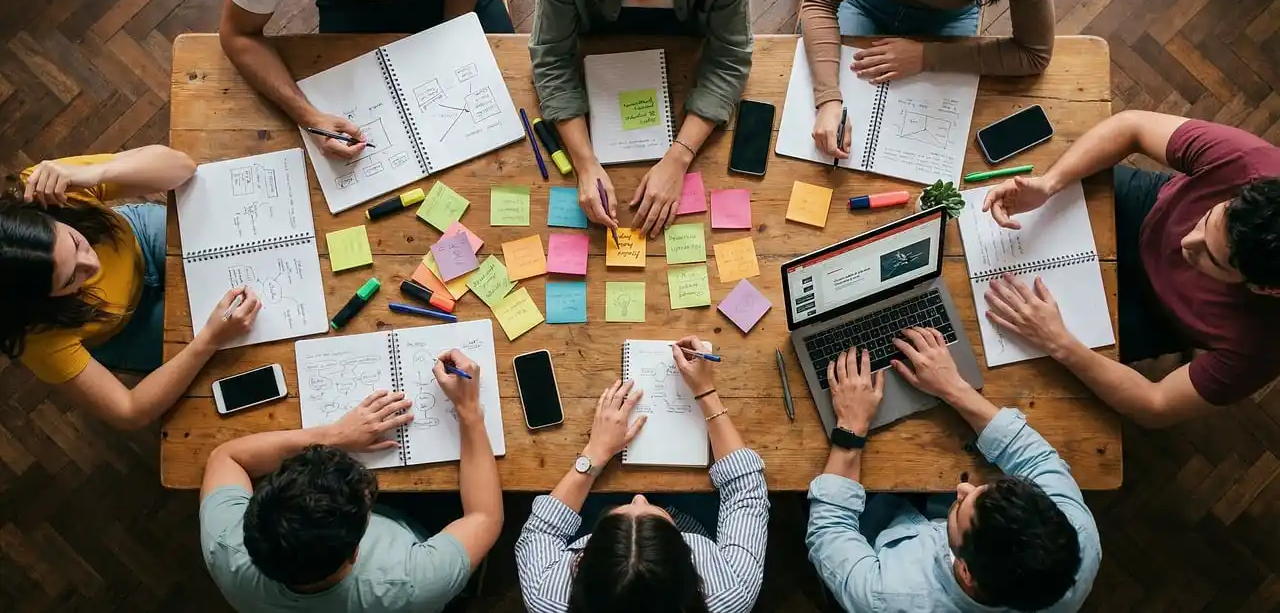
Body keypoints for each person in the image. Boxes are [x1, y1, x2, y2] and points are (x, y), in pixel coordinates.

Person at [981, 112, 1280, 427]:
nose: (1186, 241)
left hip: (1157, 315)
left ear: (1263, 288)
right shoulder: (1254, 165)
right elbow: (1131, 127)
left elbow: (1156, 405)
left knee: (1029, 364)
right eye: (1206, 219)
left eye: (1211, 257)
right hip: (1148, 208)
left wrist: (1060, 342)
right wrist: (1048, 184)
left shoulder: (1263, 344)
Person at [807, 331, 1100, 612]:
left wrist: (850, 428)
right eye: (988, 489)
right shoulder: (1076, 536)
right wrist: (954, 387)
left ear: (966, 572)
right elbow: (1035, 460)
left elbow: (829, 530)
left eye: (961, 510)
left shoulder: (887, 596)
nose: (962, 488)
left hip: (878, 522)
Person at [200, 349, 503, 612]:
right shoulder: (415, 582)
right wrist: (469, 410)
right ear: (356, 552)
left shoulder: (226, 549)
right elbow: (484, 516)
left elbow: (226, 457)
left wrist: (332, 436)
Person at [221, 0, 515, 161]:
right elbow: (238, 35)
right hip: (353, 5)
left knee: (509, 94)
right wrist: (309, 118)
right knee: (356, 130)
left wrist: (450, 32)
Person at [530, 0, 753, 237]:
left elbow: (729, 56)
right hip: (597, 40)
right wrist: (585, 163)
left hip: (686, 43)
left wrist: (679, 157)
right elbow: (551, 57)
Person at [0, 149, 260, 430]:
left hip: (139, 237)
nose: (92, 264)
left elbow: (183, 166)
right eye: (71, 278)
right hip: (126, 329)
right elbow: (129, 411)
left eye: (76, 243)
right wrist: (209, 339)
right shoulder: (36, 336)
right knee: (234, 343)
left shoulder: (45, 188)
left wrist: (95, 172)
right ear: (41, 301)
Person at [515, 337, 768, 613]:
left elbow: (540, 532)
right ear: (690, 563)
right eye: (648, 509)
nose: (639, 497)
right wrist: (706, 392)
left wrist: (594, 454)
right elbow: (745, 490)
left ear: (580, 565)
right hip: (693, 518)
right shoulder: (731, 591)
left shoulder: (546, 596)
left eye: (629, 509)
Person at [799, 0, 1053, 158]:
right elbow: (819, 2)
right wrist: (828, 99)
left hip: (947, 19)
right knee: (826, 97)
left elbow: (1034, 54)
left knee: (924, 140)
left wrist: (927, 56)